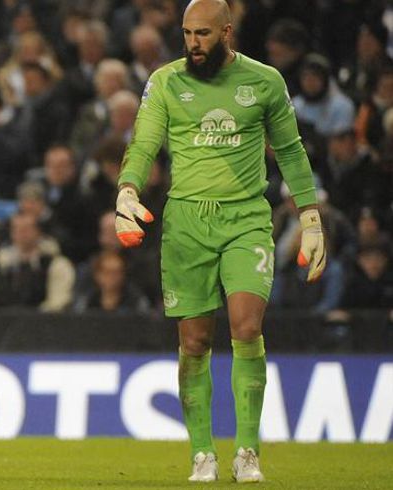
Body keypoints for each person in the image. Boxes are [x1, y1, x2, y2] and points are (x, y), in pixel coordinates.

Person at [115, 0, 327, 483]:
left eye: (204, 34)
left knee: (246, 327)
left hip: (246, 219)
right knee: (194, 340)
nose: (193, 42)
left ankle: (248, 451)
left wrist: (311, 218)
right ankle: (203, 453)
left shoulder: (265, 81)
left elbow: (290, 150)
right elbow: (144, 142)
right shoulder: (165, 82)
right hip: (186, 223)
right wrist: (127, 189)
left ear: (227, 32)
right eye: (188, 33)